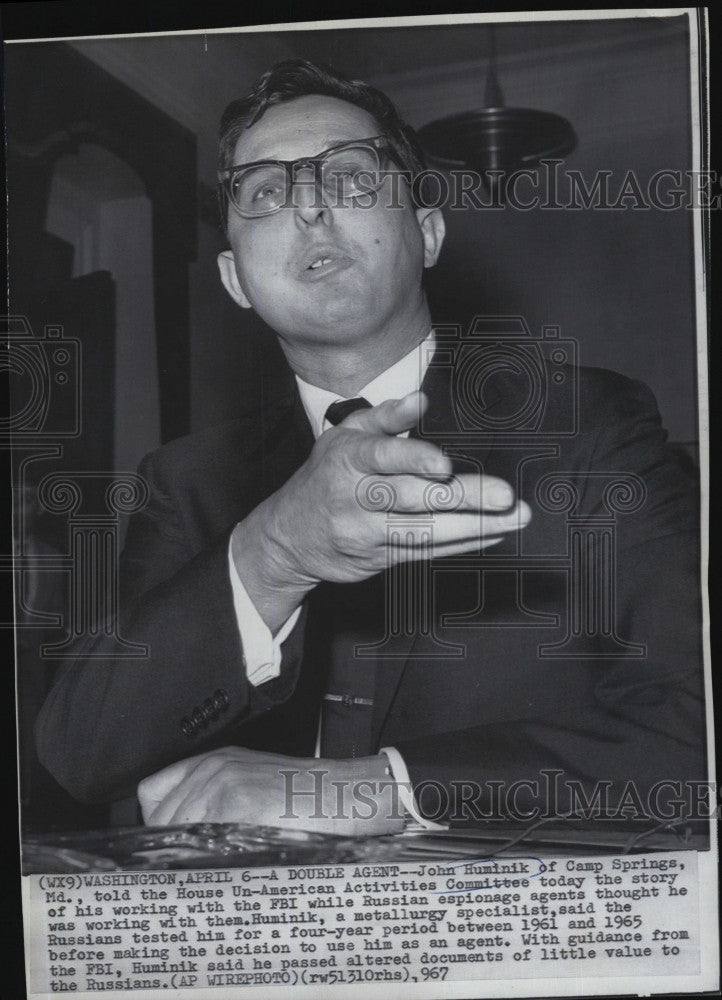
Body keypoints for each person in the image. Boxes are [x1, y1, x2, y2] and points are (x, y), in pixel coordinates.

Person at [35, 60, 705, 836]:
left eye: (351, 178)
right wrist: (272, 551)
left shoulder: (590, 425)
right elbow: (79, 755)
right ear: (234, 279)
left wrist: (377, 790)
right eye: (264, 191)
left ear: (427, 232)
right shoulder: (187, 482)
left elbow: (695, 734)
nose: (310, 209)